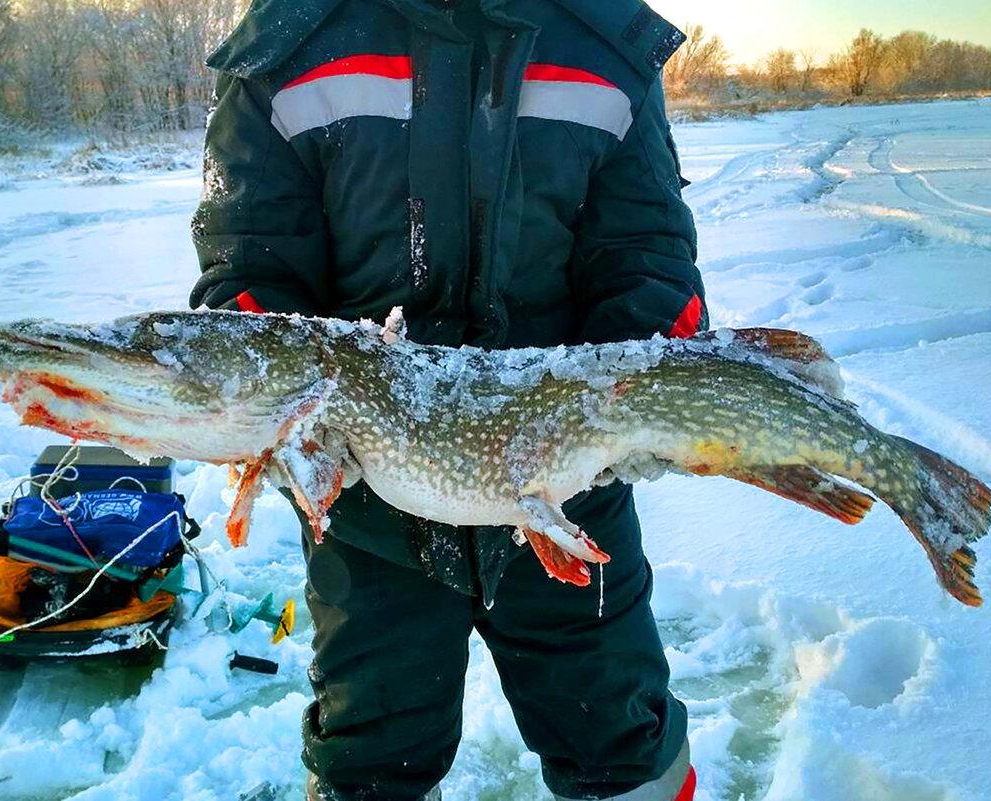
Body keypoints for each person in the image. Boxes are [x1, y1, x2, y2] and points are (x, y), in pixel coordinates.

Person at [190, 1, 706, 799]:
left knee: (624, 748)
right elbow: (246, 270)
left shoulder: (603, 37)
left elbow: (647, 256)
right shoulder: (289, 40)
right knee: (371, 768)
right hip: (368, 507)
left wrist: (632, 400)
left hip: (569, 493)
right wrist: (291, 414)